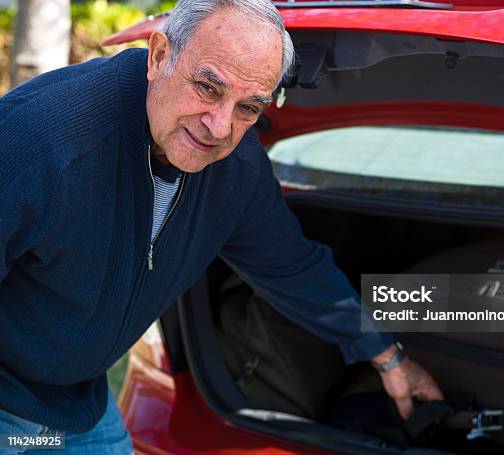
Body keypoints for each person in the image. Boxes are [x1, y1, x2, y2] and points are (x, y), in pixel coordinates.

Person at [0, 0, 442, 452]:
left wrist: (387, 356)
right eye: (208, 88)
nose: (219, 127)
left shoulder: (237, 169)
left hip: (78, 403)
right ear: (158, 57)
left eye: (248, 108)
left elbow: (291, 268)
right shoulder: (36, 141)